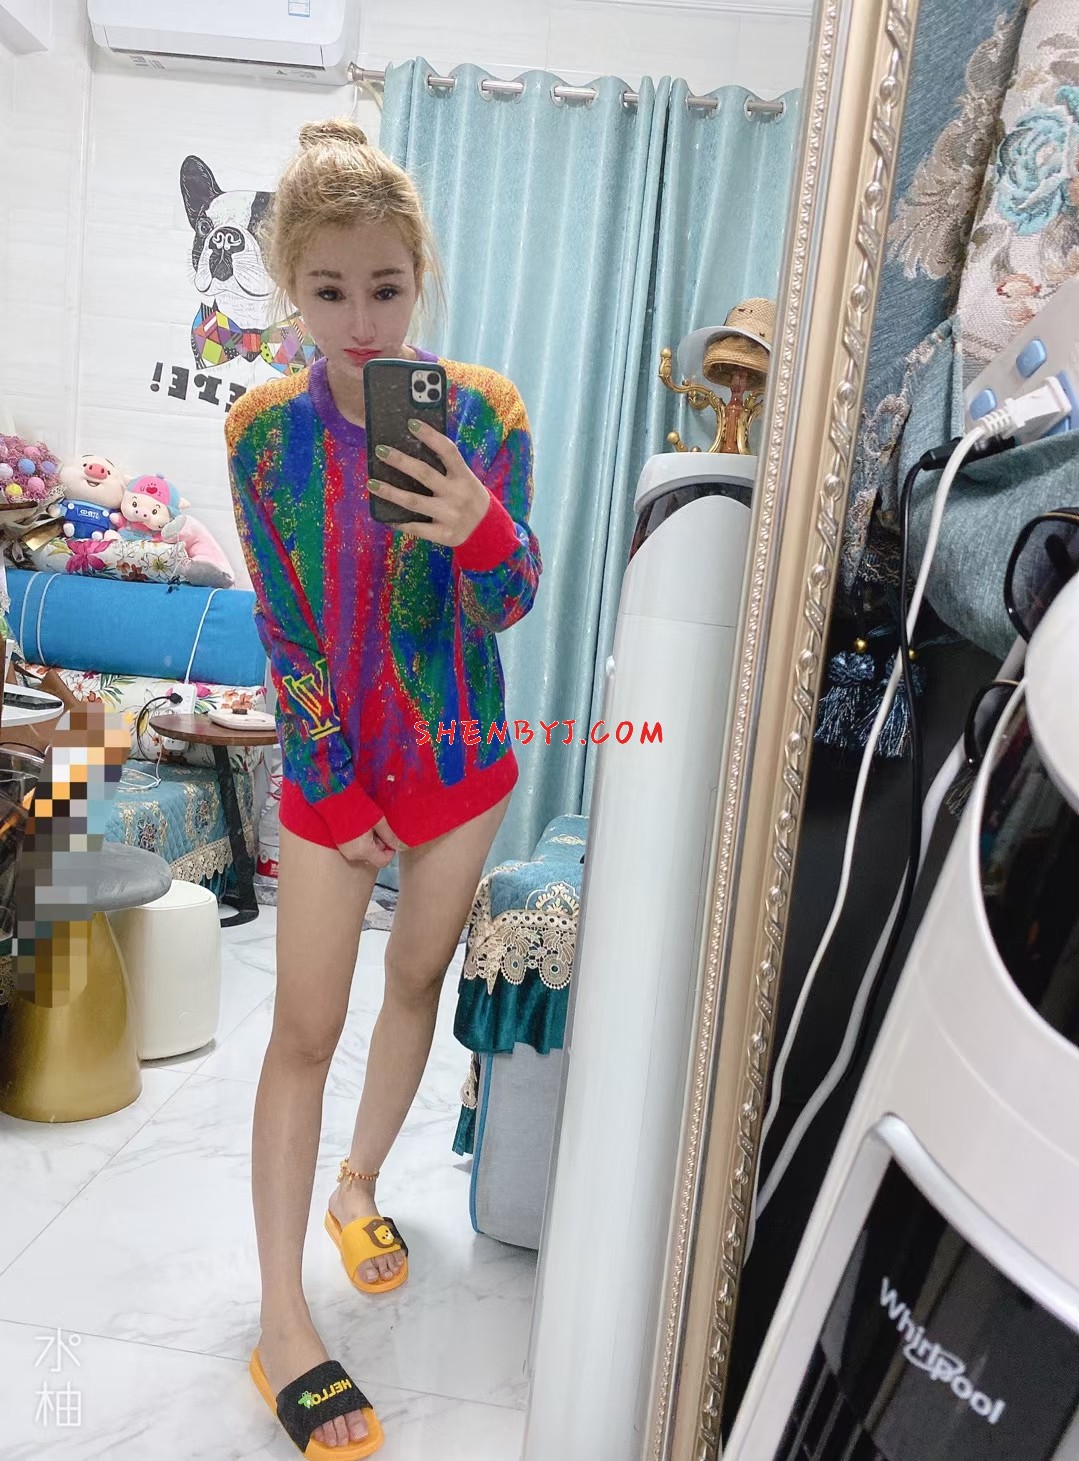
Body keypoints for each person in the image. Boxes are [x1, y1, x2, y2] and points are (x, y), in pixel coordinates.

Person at [226, 117, 542, 1456]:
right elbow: (285, 626)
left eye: (387, 287)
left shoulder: (484, 413)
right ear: (292, 291)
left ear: (423, 278)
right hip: (333, 764)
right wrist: (335, 783)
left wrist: (480, 522)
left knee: (414, 978)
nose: (362, 323)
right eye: (330, 290)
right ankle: (280, 1322)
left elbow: (512, 601)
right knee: (304, 1028)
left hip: (459, 755)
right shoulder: (262, 435)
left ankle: (358, 1186)